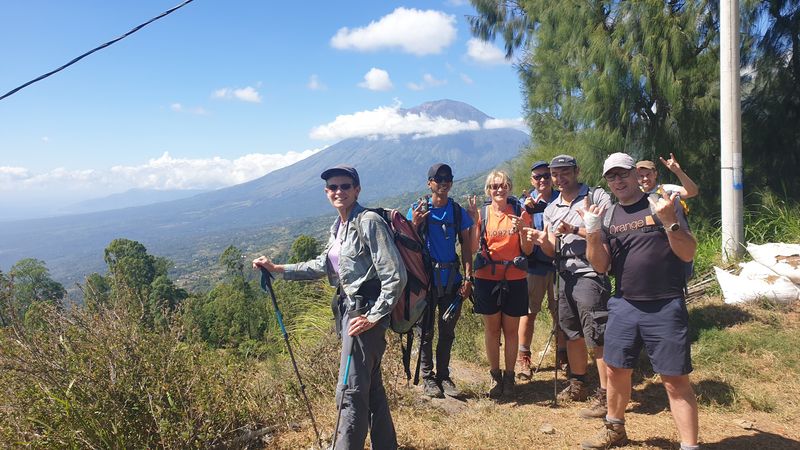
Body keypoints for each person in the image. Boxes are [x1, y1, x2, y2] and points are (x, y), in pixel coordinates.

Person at [252, 165, 406, 450]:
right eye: (333, 187)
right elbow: (324, 265)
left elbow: (395, 276)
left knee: (349, 391)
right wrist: (278, 268)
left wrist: (372, 316)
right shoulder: (339, 226)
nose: (339, 191)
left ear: (357, 189)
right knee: (370, 389)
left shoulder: (368, 221)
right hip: (352, 313)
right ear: (326, 192)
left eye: (345, 186)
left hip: (362, 315)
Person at [580, 153, 698, 450]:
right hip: (625, 304)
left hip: (665, 304)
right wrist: (593, 234)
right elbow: (600, 266)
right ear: (607, 182)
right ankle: (615, 429)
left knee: (674, 380)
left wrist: (670, 222)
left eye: (623, 174)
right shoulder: (608, 216)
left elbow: (688, 253)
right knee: (615, 369)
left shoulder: (661, 204)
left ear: (636, 175)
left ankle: (689, 445)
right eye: (612, 177)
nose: (618, 181)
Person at [528, 154, 612, 418]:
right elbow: (553, 247)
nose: (559, 178)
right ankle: (578, 383)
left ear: (577, 171)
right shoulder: (551, 208)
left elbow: (607, 234)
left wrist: (575, 229)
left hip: (589, 272)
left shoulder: (596, 197)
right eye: (555, 174)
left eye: (565, 172)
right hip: (564, 273)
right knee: (571, 331)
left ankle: (607, 395)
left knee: (596, 335)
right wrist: (542, 239)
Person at [408, 163, 478, 398]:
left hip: (452, 281)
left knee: (447, 332)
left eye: (448, 178)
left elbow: (467, 247)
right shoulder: (418, 210)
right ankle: (428, 378)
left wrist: (468, 277)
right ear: (430, 183)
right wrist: (415, 223)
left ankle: (444, 376)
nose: (444, 182)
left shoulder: (457, 212)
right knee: (425, 331)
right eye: (438, 179)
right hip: (427, 282)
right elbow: (407, 245)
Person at [472, 170, 534, 399]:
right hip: (487, 278)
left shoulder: (520, 213)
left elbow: (528, 251)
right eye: (494, 186)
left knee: (510, 330)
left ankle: (509, 377)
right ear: (488, 190)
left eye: (503, 185)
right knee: (492, 330)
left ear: (509, 187)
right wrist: (471, 221)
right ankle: (495, 376)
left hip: (515, 278)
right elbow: (472, 248)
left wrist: (522, 232)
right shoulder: (482, 214)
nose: (499, 190)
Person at [516, 160, 566, 380]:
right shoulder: (523, 203)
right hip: (534, 267)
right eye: (538, 177)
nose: (543, 180)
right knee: (528, 313)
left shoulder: (562, 199)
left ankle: (563, 355)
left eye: (547, 176)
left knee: (563, 313)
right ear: (531, 180)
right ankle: (523, 358)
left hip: (560, 265)